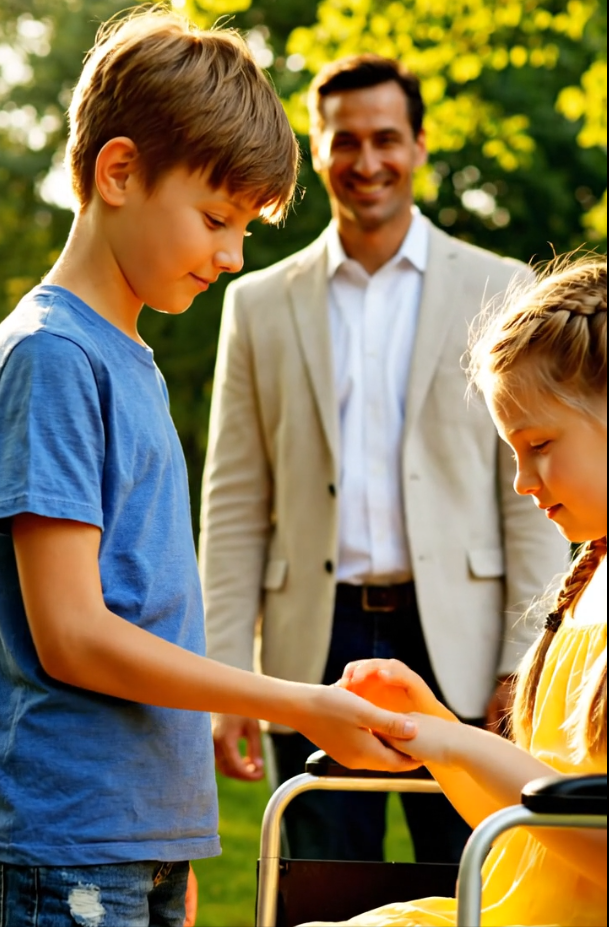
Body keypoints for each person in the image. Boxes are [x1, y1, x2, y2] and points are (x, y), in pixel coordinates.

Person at [0, 14, 420, 927]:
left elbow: (150, 607)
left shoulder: (127, 357)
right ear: (119, 173)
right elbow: (72, 632)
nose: (232, 257)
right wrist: (295, 700)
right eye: (216, 220)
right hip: (71, 846)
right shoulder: (54, 356)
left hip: (140, 837)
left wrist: (178, 835)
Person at [200, 54, 567, 864]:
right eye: (345, 141)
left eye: (386, 139)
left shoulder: (497, 285)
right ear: (317, 147)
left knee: (478, 870)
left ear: (419, 145)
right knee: (320, 874)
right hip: (311, 637)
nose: (367, 161)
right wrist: (225, 674)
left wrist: (522, 656)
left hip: (462, 637)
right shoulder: (255, 304)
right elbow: (232, 500)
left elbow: (526, 493)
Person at [302, 255, 607, 927]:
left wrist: (462, 744)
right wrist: (431, 725)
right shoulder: (585, 586)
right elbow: (525, 820)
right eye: (512, 453)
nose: (523, 481)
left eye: (539, 444)